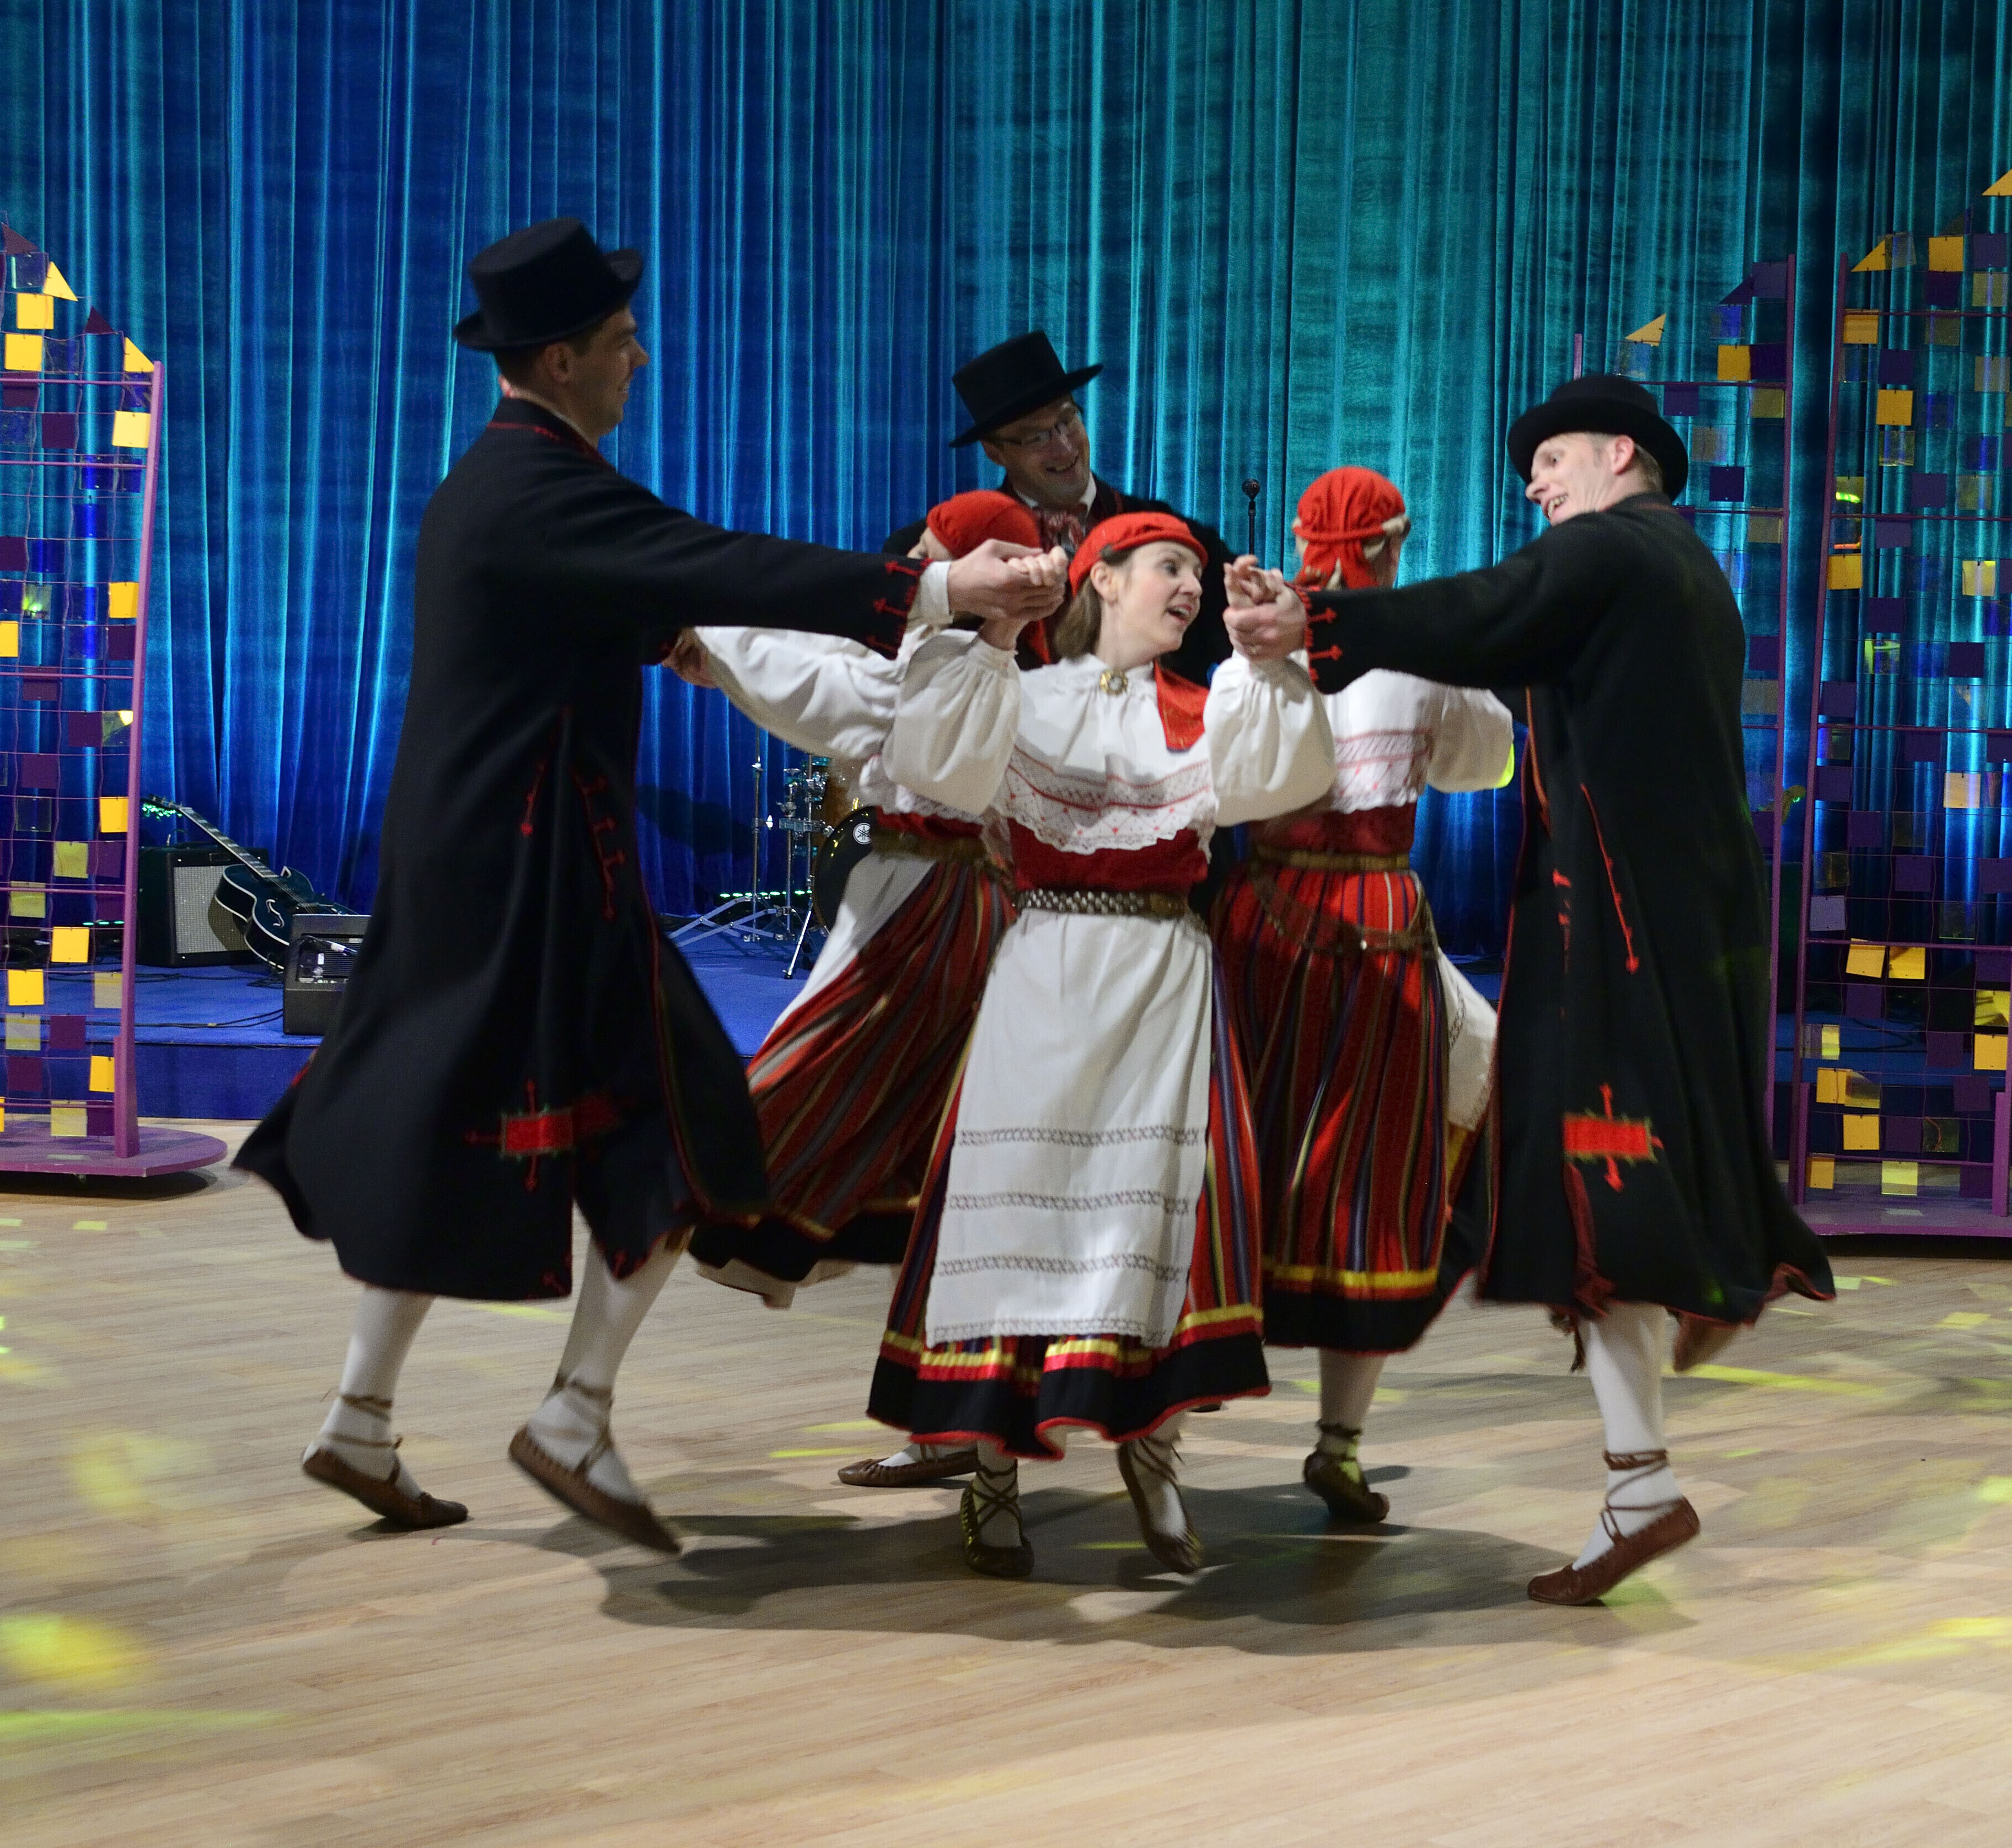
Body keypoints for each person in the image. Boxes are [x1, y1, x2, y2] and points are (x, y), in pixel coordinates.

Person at [238, 219, 1064, 1554]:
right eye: (622, 342)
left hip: (490, 865)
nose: (641, 358)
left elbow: (638, 598)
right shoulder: (541, 483)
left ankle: (362, 1417)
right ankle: (568, 1414)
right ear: (561, 359)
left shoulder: (496, 485)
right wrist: (929, 588)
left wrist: (675, 632)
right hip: (542, 872)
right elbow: (712, 557)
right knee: (694, 1138)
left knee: (461, 1122)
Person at [1222, 375, 1832, 1604]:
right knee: (1587, 1166)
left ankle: (1702, 1287)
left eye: (1551, 460)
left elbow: (1489, 608)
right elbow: (1504, 656)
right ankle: (1681, 1357)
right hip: (1658, 920)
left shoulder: (1616, 549)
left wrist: (1319, 625)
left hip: (1616, 929)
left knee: (1593, 1174)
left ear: (1620, 454)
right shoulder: (1679, 570)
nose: (1534, 483)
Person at [866, 512, 1337, 1578]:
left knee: (1148, 1215)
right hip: (1045, 973)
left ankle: (1152, 1456)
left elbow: (1282, 779)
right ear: (1105, 578)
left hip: (1161, 979)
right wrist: (993, 638)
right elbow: (936, 764)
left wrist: (1269, 658)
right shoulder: (1023, 696)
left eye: (1196, 573)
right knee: (1017, 1204)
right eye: (1170, 567)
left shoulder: (1209, 707)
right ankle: (993, 1472)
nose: (1189, 587)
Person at [665, 490, 1046, 1490]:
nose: (913, 565)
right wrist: (722, 660)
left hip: (923, 914)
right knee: (947, 1179)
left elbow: (826, 691)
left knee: (758, 1127)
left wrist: (704, 627)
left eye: (931, 550)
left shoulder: (958, 667)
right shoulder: (950, 659)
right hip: (952, 909)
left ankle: (588, 1379)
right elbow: (827, 674)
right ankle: (952, 1426)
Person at [1210, 466, 1514, 1523]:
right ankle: (1337, 1440)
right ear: (1394, 544)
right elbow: (1483, 764)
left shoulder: (1256, 644)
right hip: (1366, 915)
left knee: (1237, 1156)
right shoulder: (1407, 648)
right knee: (1372, 1169)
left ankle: (1179, 1406)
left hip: (1270, 916)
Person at [882, 331, 1235, 680]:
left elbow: (1237, 644)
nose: (1064, 447)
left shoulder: (1175, 536)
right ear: (994, 452)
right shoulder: (933, 549)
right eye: (1036, 437)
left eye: (1067, 421)